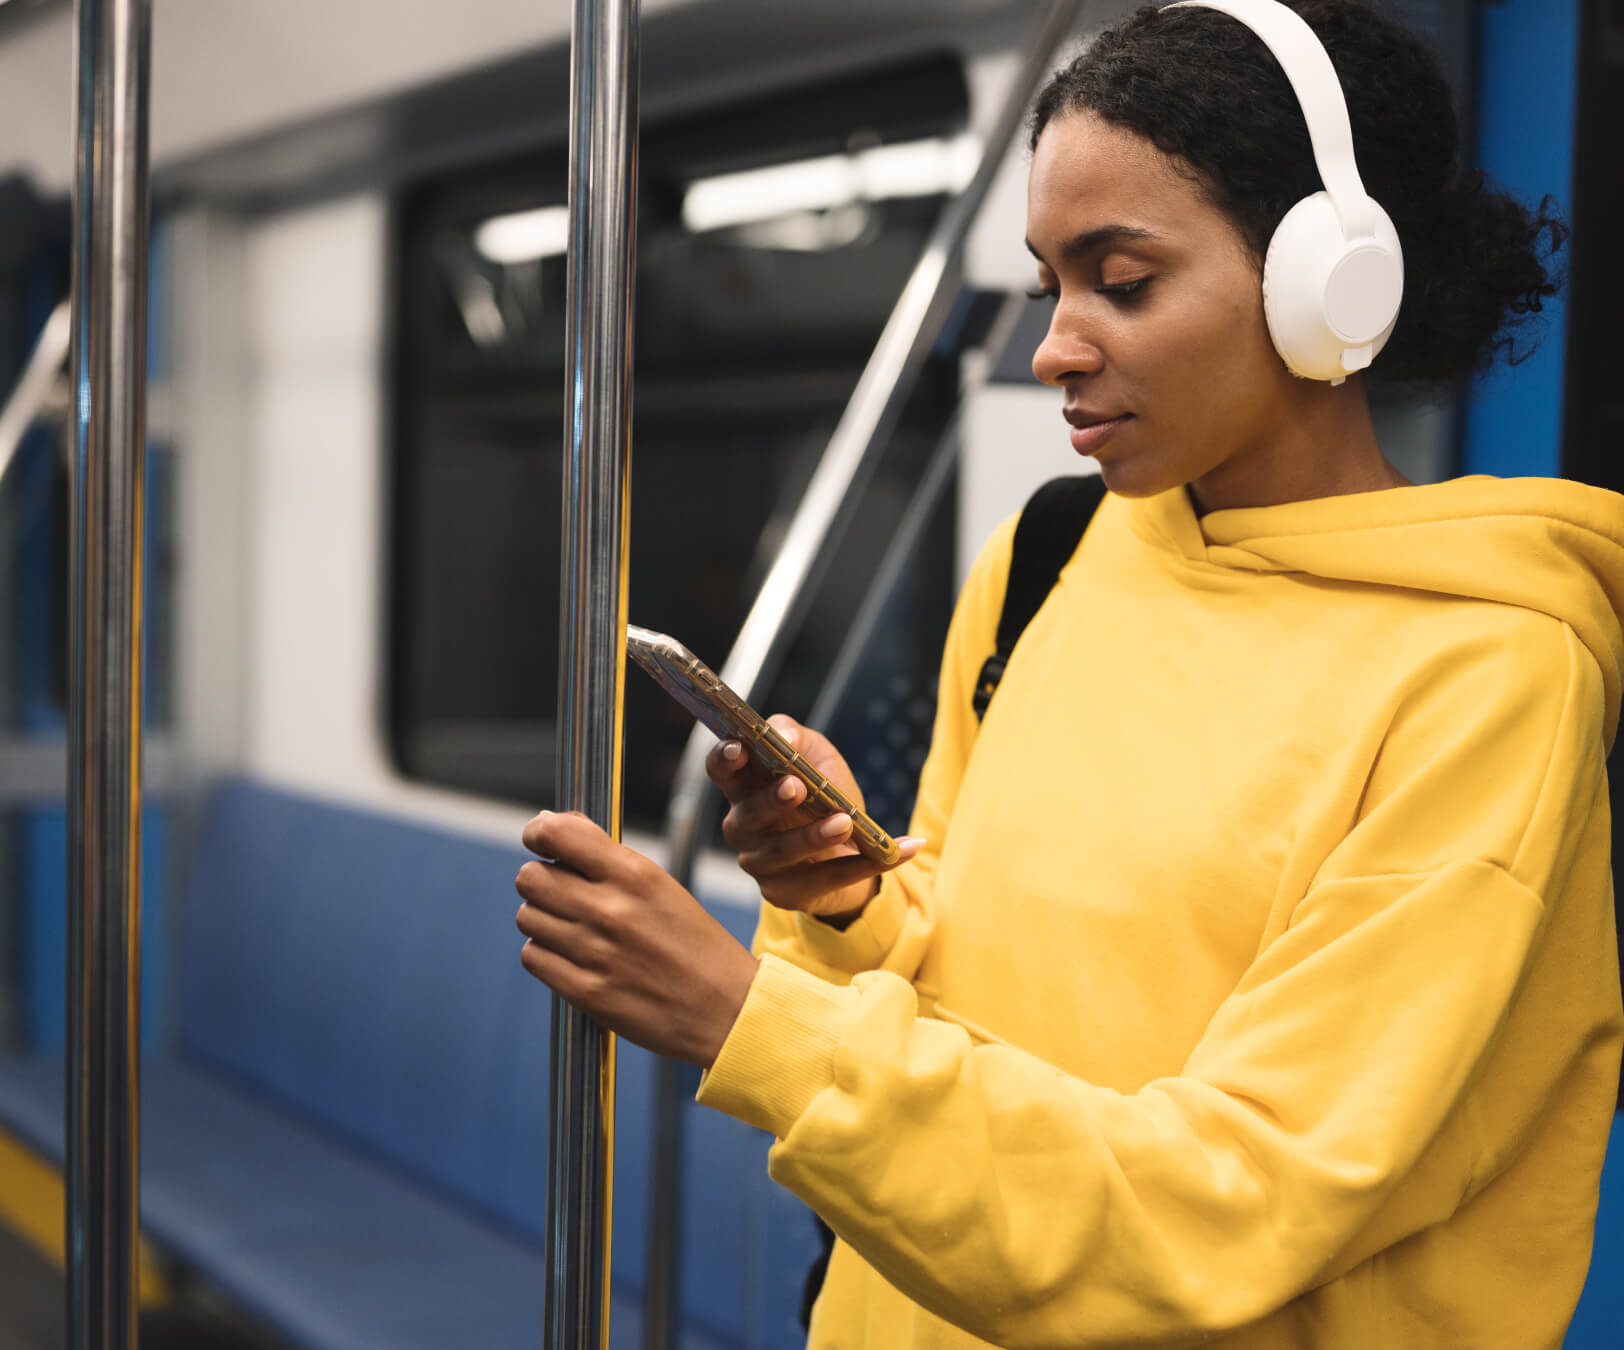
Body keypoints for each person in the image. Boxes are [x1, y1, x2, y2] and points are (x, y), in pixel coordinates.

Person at [514, 1, 1624, 1344]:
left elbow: (1228, 1202)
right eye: (1051, 284)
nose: (1054, 347)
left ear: (1330, 276)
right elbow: (970, 963)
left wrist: (748, 1018)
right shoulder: (1052, 554)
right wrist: (850, 890)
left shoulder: (1487, 675)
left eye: (1124, 279)